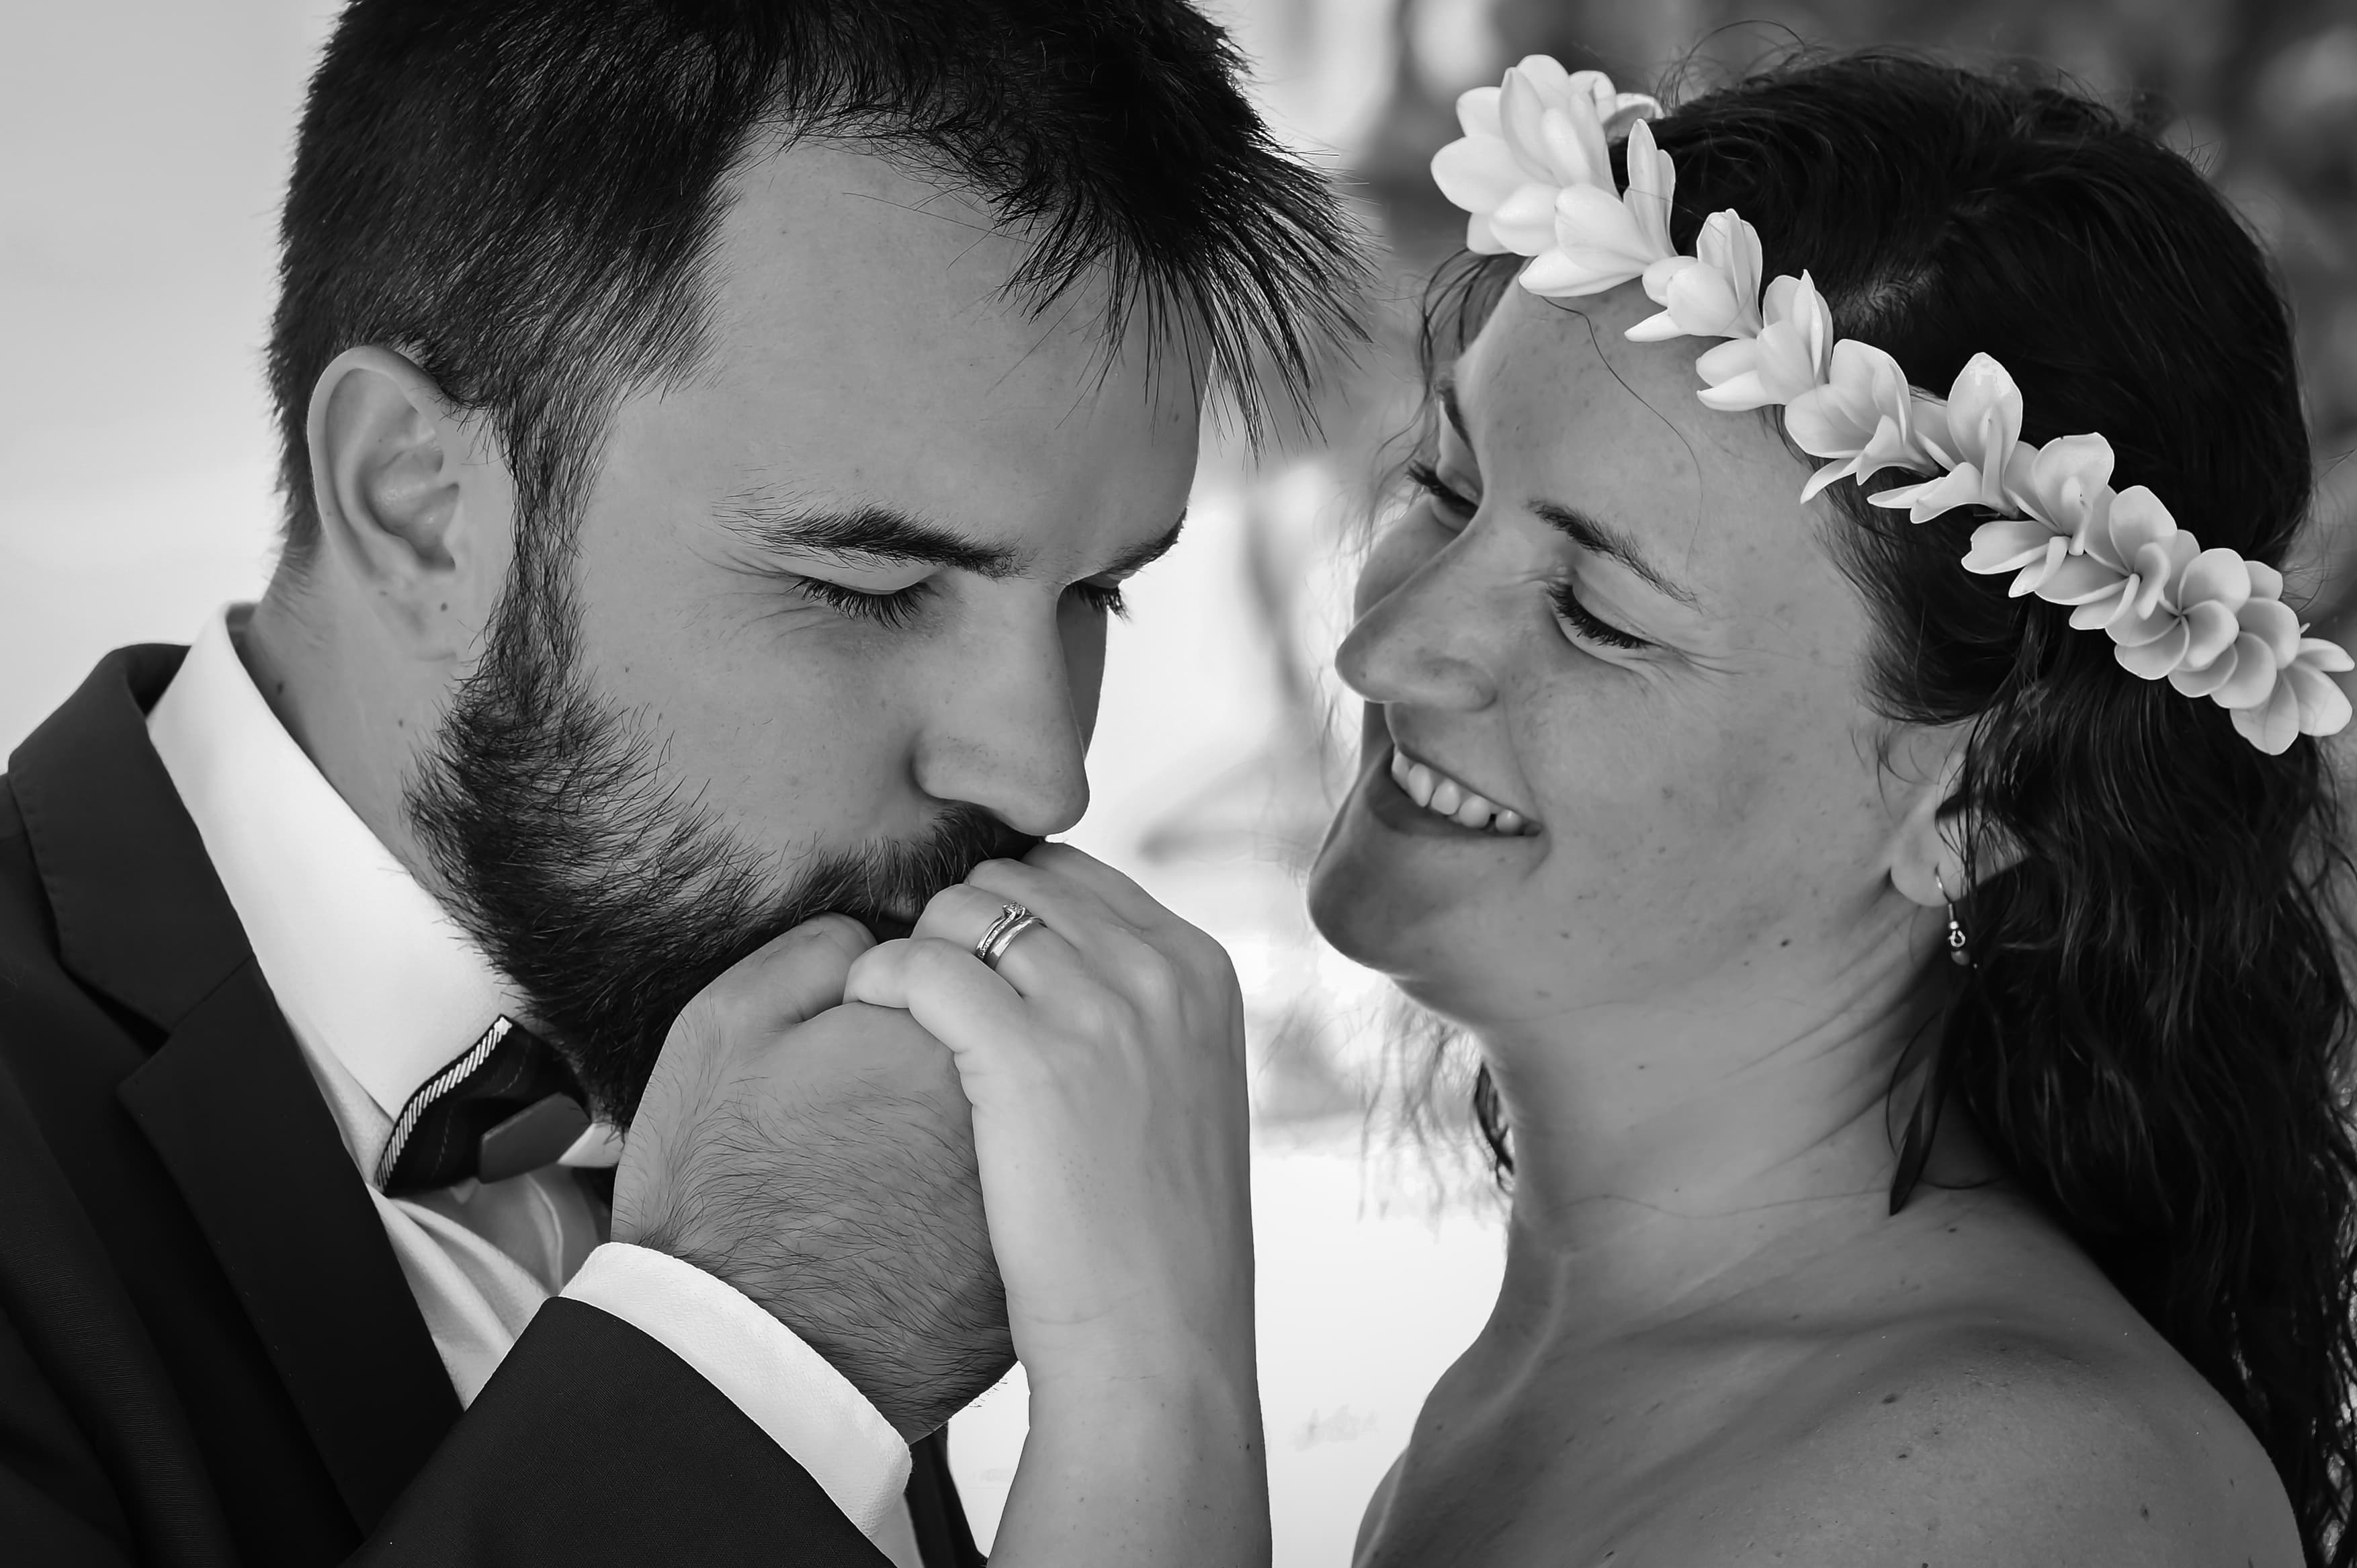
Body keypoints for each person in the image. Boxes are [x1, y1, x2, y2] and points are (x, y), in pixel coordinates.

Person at [0, 2, 1359, 1565]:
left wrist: (1157, 1405)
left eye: (1093, 596)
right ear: (418, 503)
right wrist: (764, 1346)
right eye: (865, 582)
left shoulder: (764, 974)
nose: (1045, 774)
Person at [1285, 49, 2348, 1567]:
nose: (1379, 648)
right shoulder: (1569, 1379)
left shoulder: (2009, 1499)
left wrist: (1150, 1383)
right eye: (1448, 491)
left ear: (1977, 798)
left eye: (1592, 612)